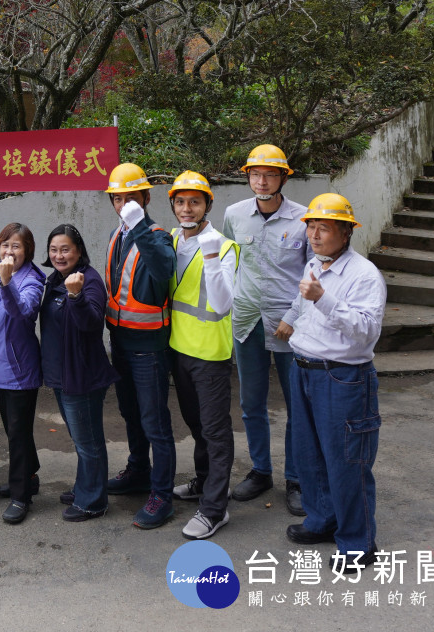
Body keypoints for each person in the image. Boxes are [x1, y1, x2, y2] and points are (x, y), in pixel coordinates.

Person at [278, 194, 385, 567]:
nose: (314, 234)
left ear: (346, 232)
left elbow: (366, 332)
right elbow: (305, 307)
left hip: (343, 378)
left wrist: (324, 299)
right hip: (304, 370)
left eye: (324, 228)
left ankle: (358, 544)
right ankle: (323, 520)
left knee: (347, 461)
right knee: (310, 455)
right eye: (310, 226)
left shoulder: (364, 275)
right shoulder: (314, 264)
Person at [222, 145, 310, 515]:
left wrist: (294, 316)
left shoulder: (304, 219)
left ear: (283, 178)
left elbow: (312, 275)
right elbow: (229, 263)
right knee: (251, 404)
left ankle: (297, 478)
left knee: (297, 406)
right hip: (247, 322)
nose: (261, 181)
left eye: (270, 174)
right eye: (255, 174)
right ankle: (260, 472)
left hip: (289, 325)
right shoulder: (234, 215)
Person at [103, 162, 178, 530]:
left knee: (155, 422)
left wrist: (138, 224)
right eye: (118, 199)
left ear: (146, 198)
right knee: (131, 414)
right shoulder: (119, 235)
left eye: (131, 198)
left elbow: (164, 269)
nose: (123, 204)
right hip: (121, 342)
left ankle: (162, 494)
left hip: (148, 348)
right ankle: (138, 470)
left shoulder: (157, 235)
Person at [165, 172, 239, 540]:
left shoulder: (223, 246)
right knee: (196, 426)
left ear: (208, 205)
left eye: (194, 201)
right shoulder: (173, 240)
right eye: (180, 201)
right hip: (179, 349)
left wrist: (210, 257)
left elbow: (223, 304)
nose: (186, 208)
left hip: (209, 354)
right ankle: (205, 482)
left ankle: (215, 509)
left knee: (215, 431)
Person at [39, 223, 118, 523]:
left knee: (89, 442)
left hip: (82, 375)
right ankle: (85, 486)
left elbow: (92, 322)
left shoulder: (89, 281)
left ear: (79, 251)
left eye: (65, 249)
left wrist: (76, 297)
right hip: (61, 374)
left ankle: (93, 501)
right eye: (54, 250)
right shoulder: (54, 279)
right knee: (80, 438)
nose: (59, 255)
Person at [0, 223, 46, 525]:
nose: (10, 251)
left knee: (18, 435)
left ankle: (21, 496)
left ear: (27, 250)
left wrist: (8, 284)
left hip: (19, 371)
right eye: (6, 244)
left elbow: (24, 315)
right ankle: (28, 477)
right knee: (13, 430)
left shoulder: (31, 280)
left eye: (16, 246)